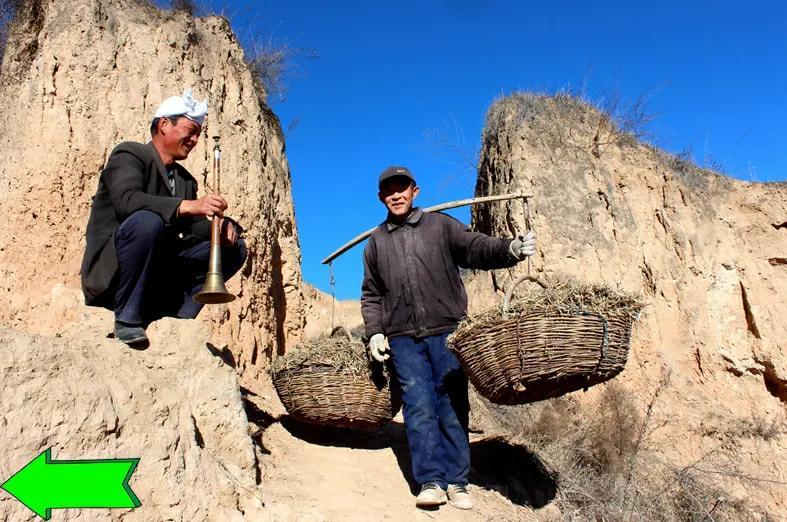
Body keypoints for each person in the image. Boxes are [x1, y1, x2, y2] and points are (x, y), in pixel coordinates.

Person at [361, 166, 536, 510]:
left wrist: (510, 249)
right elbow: (371, 294)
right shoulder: (376, 243)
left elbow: (476, 248)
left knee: (453, 403)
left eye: (402, 188)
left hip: (447, 332)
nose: (396, 195)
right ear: (381, 198)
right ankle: (431, 481)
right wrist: (375, 331)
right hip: (403, 339)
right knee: (418, 406)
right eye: (389, 191)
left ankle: (458, 481)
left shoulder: (440, 227)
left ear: (415, 192)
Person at [80, 89, 247, 347]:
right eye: (189, 131)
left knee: (234, 249)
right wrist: (189, 205)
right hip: (114, 276)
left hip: (157, 275)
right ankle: (126, 318)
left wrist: (223, 226)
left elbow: (191, 227)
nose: (193, 140)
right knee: (147, 221)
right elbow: (128, 201)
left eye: (197, 135)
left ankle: (177, 318)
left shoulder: (184, 180)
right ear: (164, 124)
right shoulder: (130, 154)